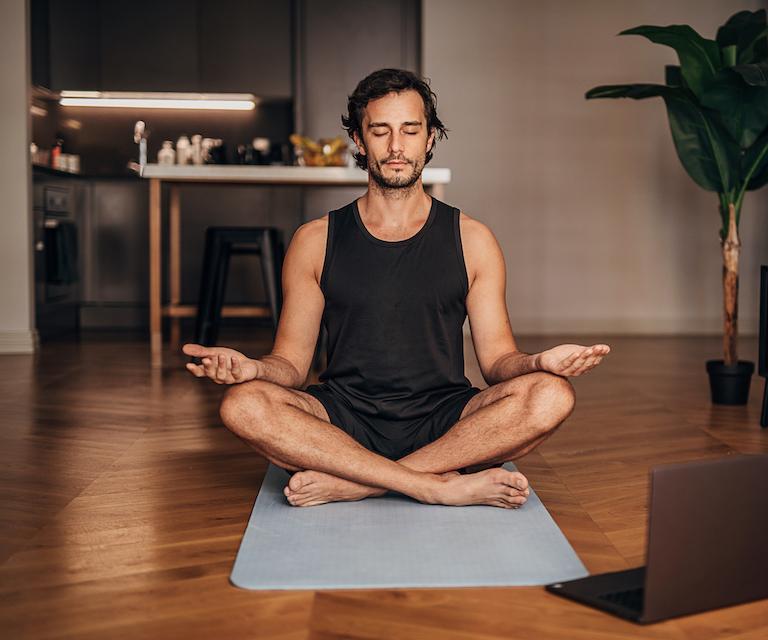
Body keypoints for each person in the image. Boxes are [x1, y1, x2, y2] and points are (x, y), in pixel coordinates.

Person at [182, 68, 610, 509]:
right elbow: (291, 365)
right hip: (342, 418)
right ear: (358, 140)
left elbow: (498, 362)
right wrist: (253, 370)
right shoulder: (314, 240)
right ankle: (432, 483)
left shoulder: (473, 239)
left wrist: (540, 361)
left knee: (551, 395)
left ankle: (361, 481)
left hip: (445, 420)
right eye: (380, 131)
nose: (395, 147)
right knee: (243, 405)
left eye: (410, 130)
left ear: (430, 138)